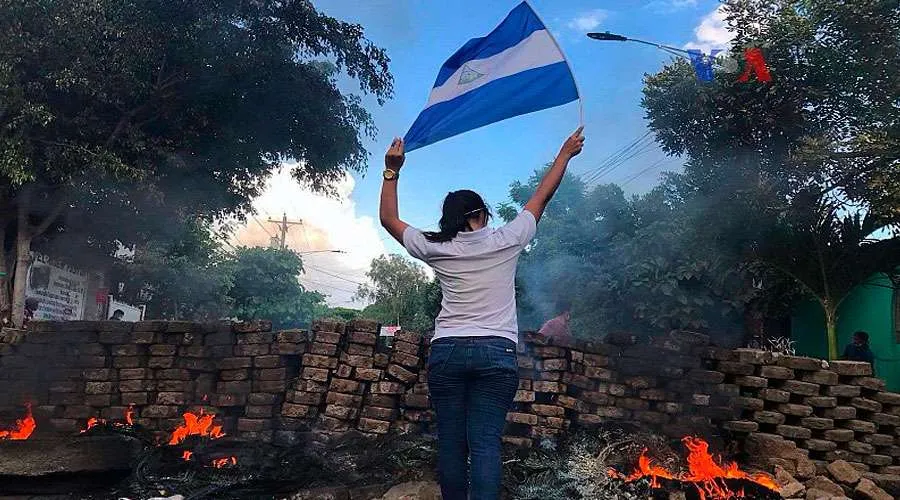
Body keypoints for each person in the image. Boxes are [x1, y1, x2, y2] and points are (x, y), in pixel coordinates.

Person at [379, 127, 585, 500]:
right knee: (486, 443)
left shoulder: (435, 246)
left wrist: (392, 170)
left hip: (448, 352)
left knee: (451, 443)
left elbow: (389, 220)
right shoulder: (507, 239)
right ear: (480, 214)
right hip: (496, 353)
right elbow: (543, 195)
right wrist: (565, 154)